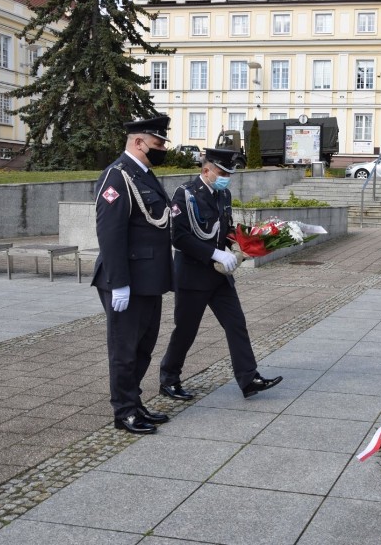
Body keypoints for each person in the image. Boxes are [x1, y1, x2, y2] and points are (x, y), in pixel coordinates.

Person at [158, 147, 282, 401]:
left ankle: (248, 379)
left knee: (236, 323)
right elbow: (179, 237)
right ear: (206, 170)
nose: (226, 177)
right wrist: (214, 254)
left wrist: (244, 243)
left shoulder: (223, 193)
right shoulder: (185, 195)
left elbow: (223, 228)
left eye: (229, 173)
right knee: (186, 330)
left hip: (219, 275)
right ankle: (169, 379)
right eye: (222, 172)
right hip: (192, 275)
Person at [92, 115, 174, 435]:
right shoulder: (117, 177)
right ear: (138, 142)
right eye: (157, 144)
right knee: (124, 350)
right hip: (127, 280)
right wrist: (119, 283)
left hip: (150, 279)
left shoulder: (144, 174)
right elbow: (110, 234)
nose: (162, 149)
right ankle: (123, 410)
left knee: (143, 347)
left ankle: (134, 401)